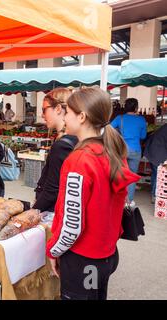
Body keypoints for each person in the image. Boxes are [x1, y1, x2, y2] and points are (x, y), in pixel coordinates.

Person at [47, 87, 140, 300]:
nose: (65, 116)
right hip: (106, 255)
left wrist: (53, 250)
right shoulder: (112, 151)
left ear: (81, 117)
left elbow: (72, 225)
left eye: (68, 112)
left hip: (83, 260)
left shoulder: (79, 160)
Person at [31, 88, 78, 214]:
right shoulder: (72, 139)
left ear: (58, 109)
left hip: (54, 211)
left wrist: (34, 210)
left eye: (44, 109)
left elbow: (53, 189)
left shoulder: (63, 144)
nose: (42, 115)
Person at [111, 98, 147, 206]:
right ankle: (128, 201)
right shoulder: (141, 120)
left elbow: (108, 129)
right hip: (136, 150)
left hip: (122, 150)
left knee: (120, 175)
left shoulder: (119, 118)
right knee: (131, 176)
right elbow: (143, 136)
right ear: (136, 108)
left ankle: (118, 199)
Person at [143, 123, 167, 203]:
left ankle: (154, 194)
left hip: (152, 151)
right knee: (158, 175)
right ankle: (155, 196)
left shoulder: (165, 126)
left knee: (155, 174)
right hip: (157, 152)